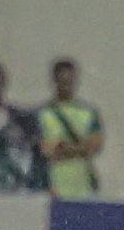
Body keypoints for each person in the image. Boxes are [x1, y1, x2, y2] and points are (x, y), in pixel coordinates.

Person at [35, 59, 104, 198]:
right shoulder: (43, 113)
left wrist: (65, 147)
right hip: (53, 186)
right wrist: (79, 149)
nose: (66, 86)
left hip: (83, 186)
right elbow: (45, 149)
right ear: (54, 81)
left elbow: (94, 145)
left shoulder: (88, 112)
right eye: (62, 81)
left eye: (69, 81)